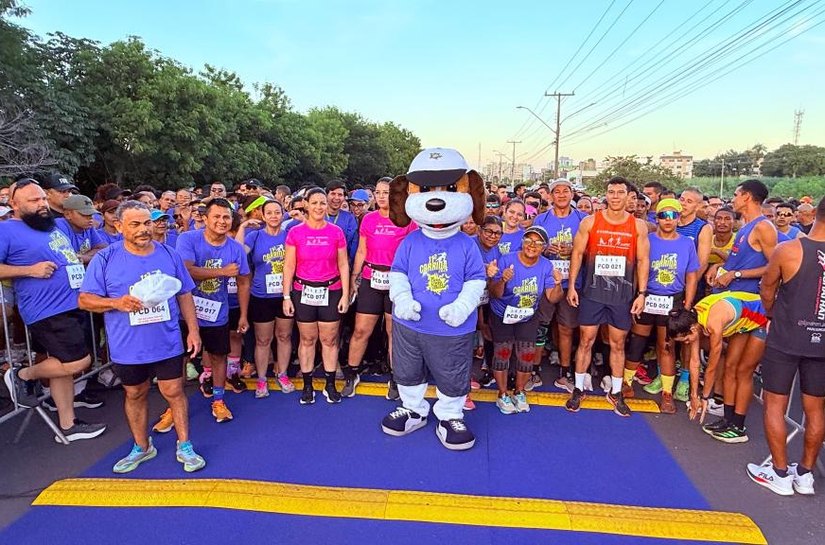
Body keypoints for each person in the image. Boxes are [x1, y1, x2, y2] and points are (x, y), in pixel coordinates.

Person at [78, 201, 205, 473]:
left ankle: (185, 445)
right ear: (118, 226)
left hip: (166, 340)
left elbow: (184, 294)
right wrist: (116, 303)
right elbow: (85, 300)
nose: (143, 229)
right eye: (135, 224)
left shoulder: (169, 254)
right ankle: (142, 446)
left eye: (147, 223)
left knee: (174, 391)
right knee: (135, 393)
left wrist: (193, 331)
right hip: (128, 345)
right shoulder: (105, 258)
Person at [0, 179, 106, 441]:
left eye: (43, 199)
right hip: (46, 310)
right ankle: (22, 374)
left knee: (64, 366)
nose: (42, 204)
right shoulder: (6, 231)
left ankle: (67, 426)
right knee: (78, 362)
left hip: (73, 303)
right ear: (14, 204)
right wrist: (29, 270)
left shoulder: (53, 226)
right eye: (33, 201)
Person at [747, 195, 825, 495]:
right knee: (815, 409)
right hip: (820, 341)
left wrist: (771, 312)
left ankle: (780, 474)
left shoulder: (789, 249)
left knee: (775, 403)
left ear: (814, 212)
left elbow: (767, 289)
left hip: (786, 335)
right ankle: (805, 475)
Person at [565, 176, 650, 417]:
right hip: (593, 292)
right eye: (611, 192)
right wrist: (572, 285)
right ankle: (579, 388)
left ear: (627, 196)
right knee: (586, 340)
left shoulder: (638, 226)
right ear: (606, 195)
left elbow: (643, 261)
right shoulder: (591, 222)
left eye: (620, 192)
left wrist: (641, 293)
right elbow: (578, 254)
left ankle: (616, 391)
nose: (615, 196)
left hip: (622, 295)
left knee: (617, 344)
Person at [175, 198, 250, 423]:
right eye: (216, 216)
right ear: (205, 218)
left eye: (226, 217)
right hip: (185, 312)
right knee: (181, 358)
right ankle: (173, 405)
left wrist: (244, 314)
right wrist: (222, 272)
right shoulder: (188, 239)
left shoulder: (236, 248)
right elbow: (186, 271)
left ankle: (218, 400)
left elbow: (244, 281)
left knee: (219, 357)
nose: (221, 221)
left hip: (217, 312)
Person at [622, 199, 699, 413]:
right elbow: (637, 269)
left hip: (672, 300)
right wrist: (636, 296)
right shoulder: (647, 240)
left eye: (673, 215)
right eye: (663, 215)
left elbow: (691, 275)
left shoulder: (687, 243)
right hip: (647, 297)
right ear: (657, 219)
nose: (668, 220)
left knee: (666, 346)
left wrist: (688, 304)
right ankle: (626, 384)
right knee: (637, 341)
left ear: (678, 219)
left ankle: (667, 393)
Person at [343, 179, 416, 399]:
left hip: (398, 280)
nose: (382, 196)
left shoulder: (408, 221)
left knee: (394, 332)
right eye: (378, 192)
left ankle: (396, 377)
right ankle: (352, 372)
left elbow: (413, 253)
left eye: (387, 192)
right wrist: (354, 278)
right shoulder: (369, 219)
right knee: (361, 330)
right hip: (371, 278)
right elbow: (362, 252)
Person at [666, 291, 768, 443]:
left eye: (686, 339)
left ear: (692, 330)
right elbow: (694, 363)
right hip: (743, 322)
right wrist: (694, 396)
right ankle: (728, 420)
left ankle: (738, 427)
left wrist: (705, 397)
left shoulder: (713, 324)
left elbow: (711, 368)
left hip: (763, 317)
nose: (686, 343)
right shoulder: (693, 319)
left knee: (743, 371)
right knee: (729, 367)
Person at [283, 188, 350, 404]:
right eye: (315, 203)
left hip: (331, 290)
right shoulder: (295, 232)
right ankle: (308, 384)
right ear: (306, 204)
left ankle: (330, 384)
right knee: (307, 338)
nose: (319, 207)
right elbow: (289, 266)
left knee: (329, 339)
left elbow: (343, 264)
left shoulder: (336, 232)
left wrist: (345, 294)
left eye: (323, 203)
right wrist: (286, 296)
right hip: (304, 291)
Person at [487, 226, 562, 414]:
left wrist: (559, 283)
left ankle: (519, 392)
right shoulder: (507, 260)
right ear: (522, 242)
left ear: (544, 247)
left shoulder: (546, 265)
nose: (532, 245)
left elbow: (553, 298)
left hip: (528, 315)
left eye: (538, 243)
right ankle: (503, 394)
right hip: (502, 314)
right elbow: (494, 294)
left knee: (526, 355)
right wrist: (503, 280)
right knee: (502, 353)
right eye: (528, 240)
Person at [532, 178, 588, 392]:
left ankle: (565, 372)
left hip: (573, 283)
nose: (562, 195)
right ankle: (534, 371)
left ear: (572, 194)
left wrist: (574, 249)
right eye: (557, 191)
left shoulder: (583, 219)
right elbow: (531, 246)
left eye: (566, 191)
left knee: (566, 329)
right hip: (546, 282)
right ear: (550, 195)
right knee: (540, 328)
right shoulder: (541, 219)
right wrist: (546, 249)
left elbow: (590, 248)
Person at [236, 200, 295, 398]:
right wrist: (243, 226)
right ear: (263, 215)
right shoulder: (255, 236)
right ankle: (262, 379)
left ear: (282, 214)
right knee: (263, 340)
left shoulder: (290, 235)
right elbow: (237, 253)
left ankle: (283, 373)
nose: (273, 216)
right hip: (261, 295)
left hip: (285, 294)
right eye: (269, 213)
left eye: (277, 212)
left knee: (284, 336)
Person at [56, 195, 107, 264]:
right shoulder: (59, 226)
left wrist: (84, 258)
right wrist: (92, 257)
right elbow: (67, 258)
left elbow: (103, 249)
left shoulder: (88, 226)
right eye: (84, 215)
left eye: (91, 214)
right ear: (67, 214)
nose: (90, 218)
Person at [325, 180, 359, 265]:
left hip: (342, 264)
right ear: (326, 196)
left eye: (340, 195)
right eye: (333, 194)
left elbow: (353, 244)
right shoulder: (318, 215)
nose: (336, 198)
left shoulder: (349, 218)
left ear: (344, 198)